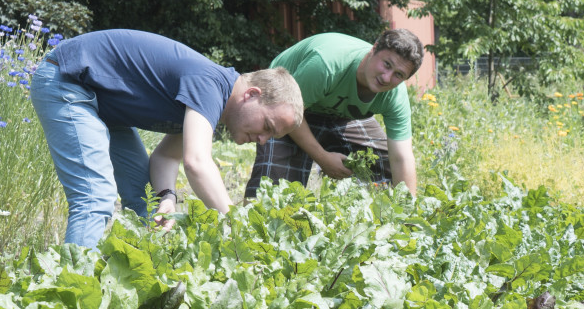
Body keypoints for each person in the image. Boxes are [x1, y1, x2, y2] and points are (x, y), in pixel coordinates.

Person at [30, 29, 304, 249]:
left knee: (145, 199)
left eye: (272, 136)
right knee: (95, 196)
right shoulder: (211, 84)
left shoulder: (210, 99)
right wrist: (236, 228)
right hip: (67, 80)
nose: (263, 140)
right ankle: (69, 292)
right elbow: (196, 162)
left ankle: (136, 284)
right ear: (252, 94)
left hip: (101, 104)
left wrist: (167, 196)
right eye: (267, 126)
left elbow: (165, 156)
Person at [244, 29, 424, 198]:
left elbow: (401, 157)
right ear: (374, 48)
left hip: (340, 114)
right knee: (271, 191)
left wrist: (407, 213)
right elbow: (288, 112)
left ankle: (376, 218)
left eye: (398, 74)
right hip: (284, 103)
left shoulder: (395, 95)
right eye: (386, 64)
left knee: (386, 166)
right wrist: (323, 158)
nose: (386, 78)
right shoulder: (326, 65)